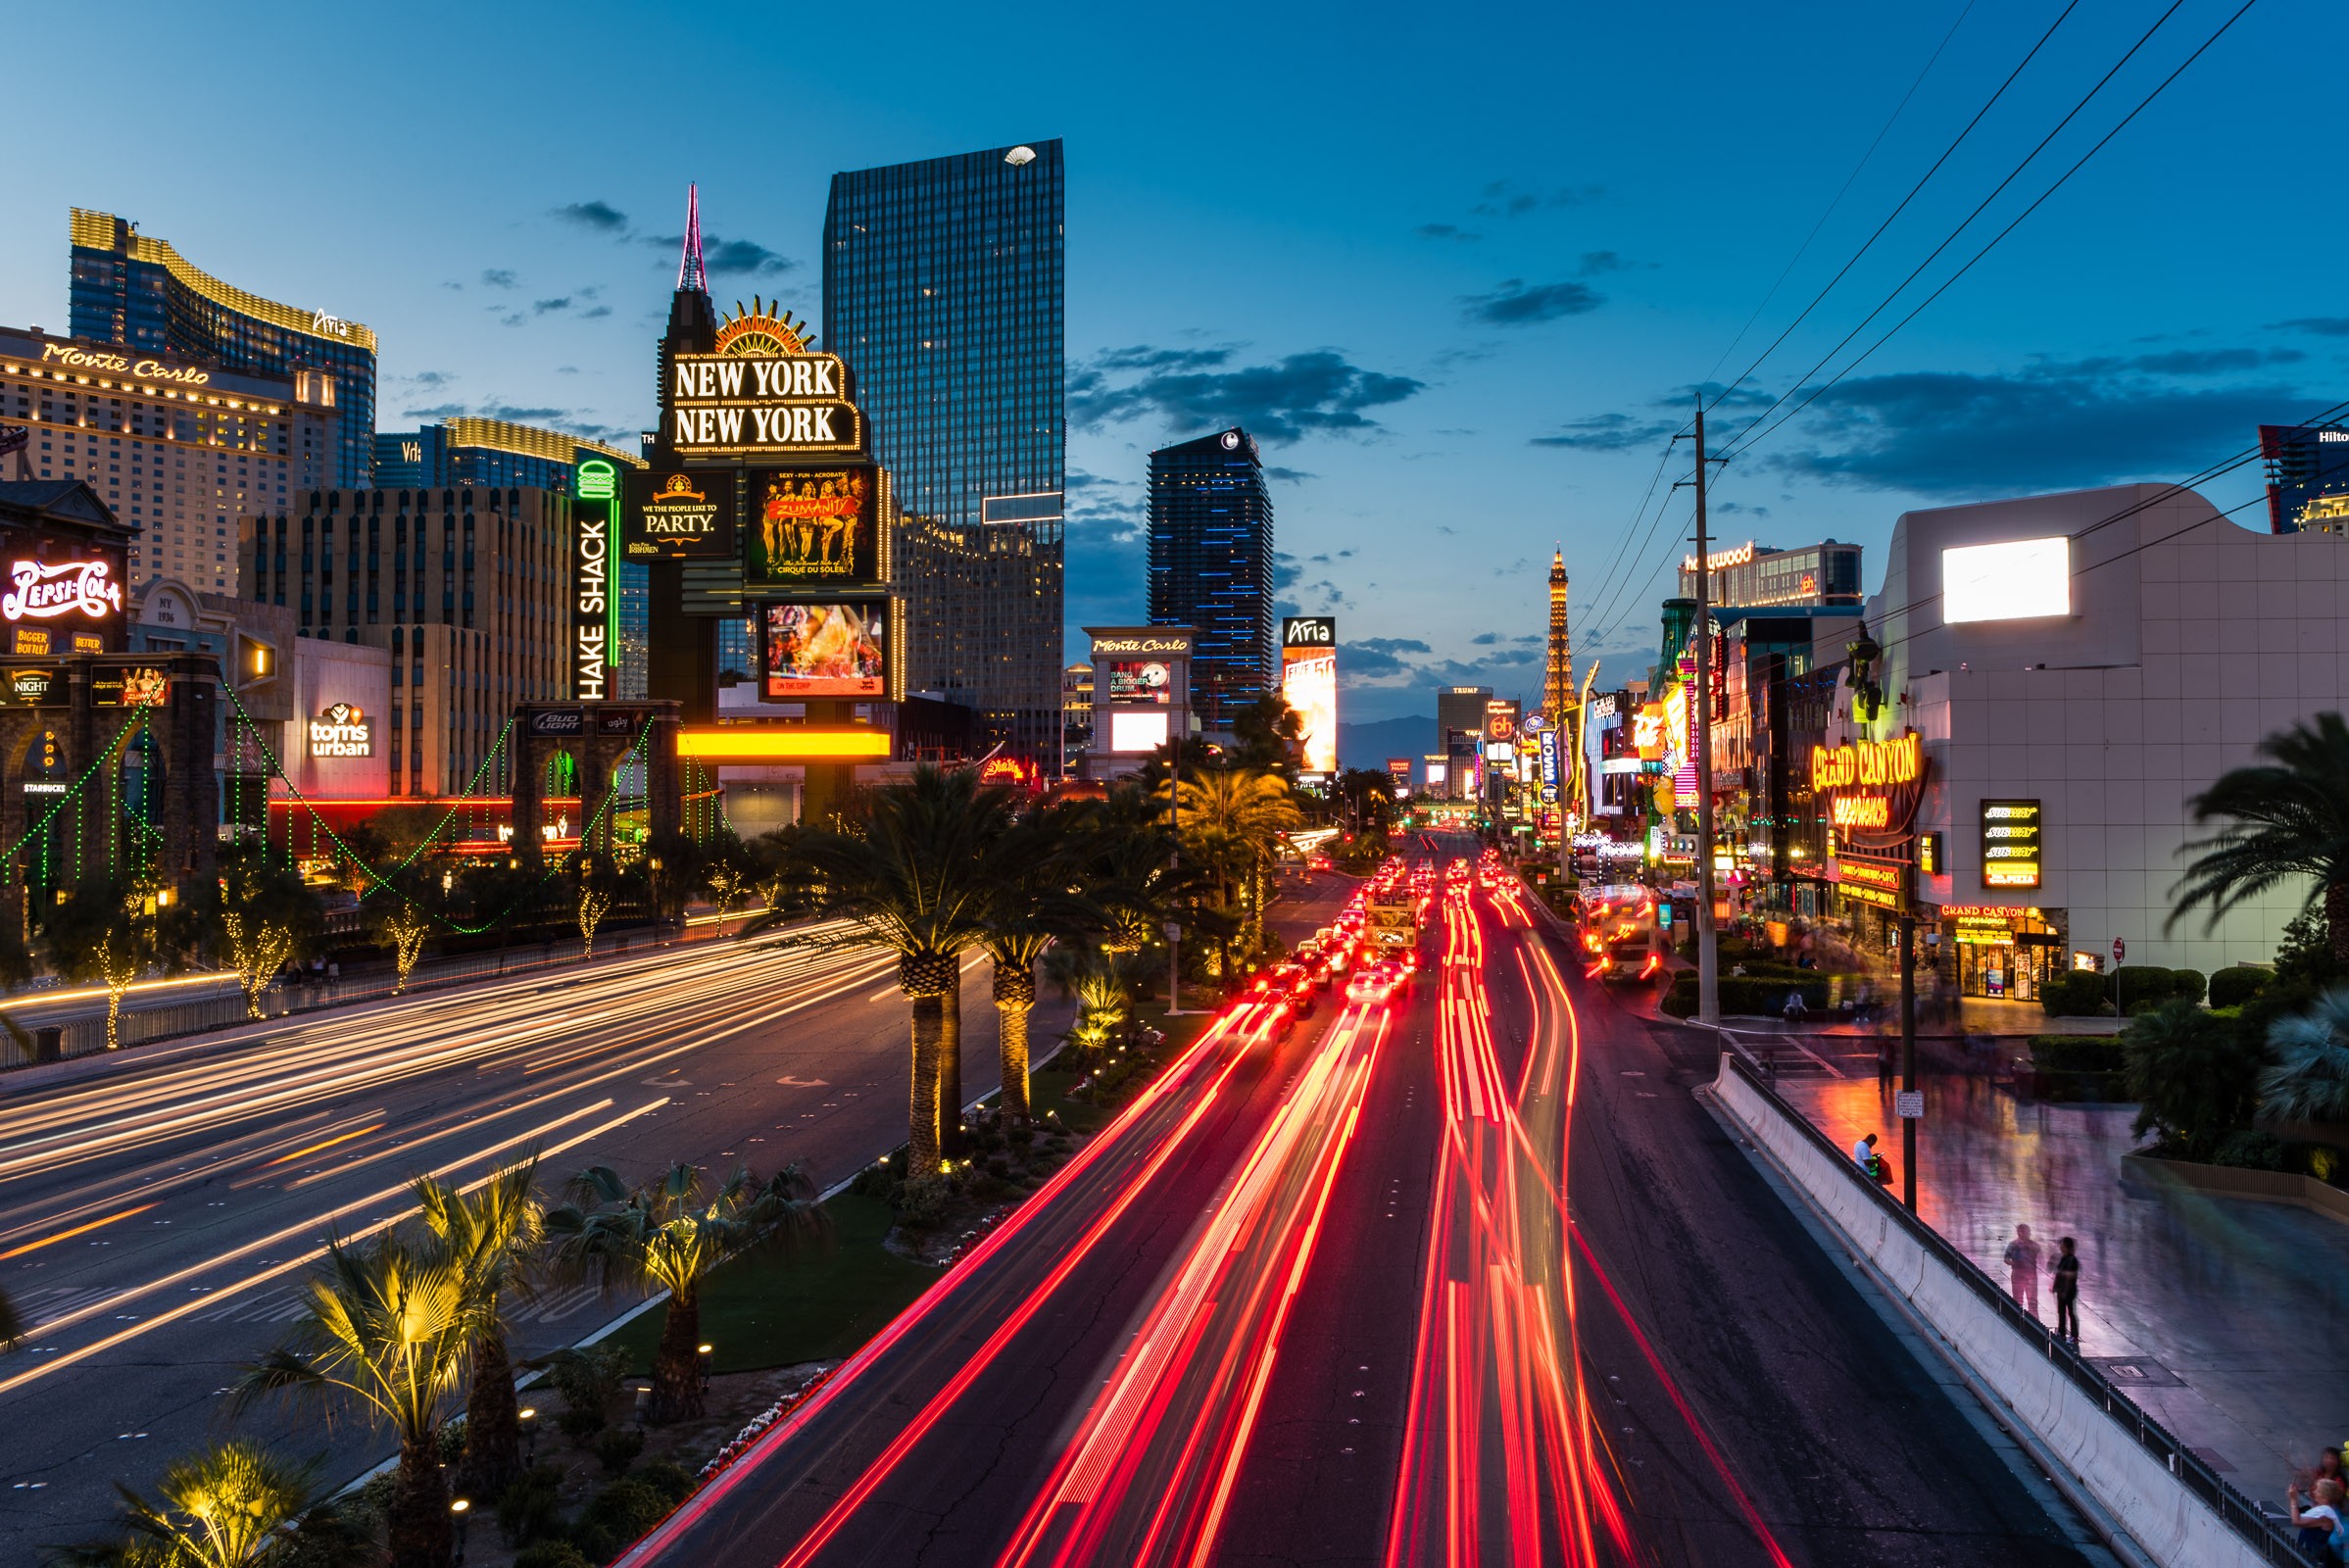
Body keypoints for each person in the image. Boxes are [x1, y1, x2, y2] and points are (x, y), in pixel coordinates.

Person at [2285, 1476, 2346, 1564]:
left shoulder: (2325, 1515)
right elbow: (2297, 1515)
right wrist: (2293, 1498)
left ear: (2326, 1496)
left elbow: (2297, 1521)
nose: (2314, 1492)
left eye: (2318, 1490)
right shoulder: (2318, 1509)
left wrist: (2293, 1499)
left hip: (2314, 1558)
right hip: (2307, 1554)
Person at [2002, 1224, 2042, 1316]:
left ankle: (2030, 1321)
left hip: (2026, 1275)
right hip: (2022, 1275)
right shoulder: (2014, 1245)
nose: (2025, 1234)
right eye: (2022, 1232)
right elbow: (2006, 1259)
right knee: (2019, 1300)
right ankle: (2023, 1321)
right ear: (2018, 1232)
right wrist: (2014, 1263)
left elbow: (2040, 1258)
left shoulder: (2032, 1245)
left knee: (2030, 1301)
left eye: (2026, 1232)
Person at [2050, 1237, 2080, 1345]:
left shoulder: (2072, 1260)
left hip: (2068, 1291)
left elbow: (2071, 1276)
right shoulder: (2064, 1258)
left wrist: (2065, 1290)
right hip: (2061, 1290)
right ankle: (2061, 1333)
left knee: (2071, 1312)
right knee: (2061, 1312)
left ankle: (2074, 1335)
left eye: (2063, 1246)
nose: (2061, 1248)